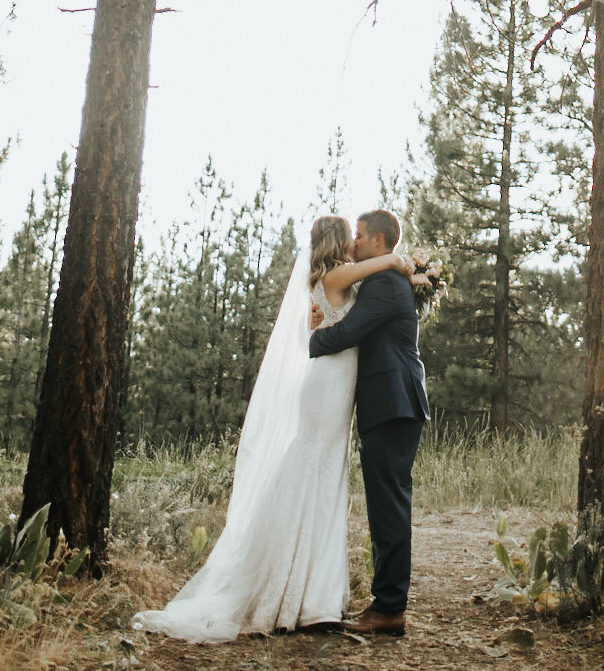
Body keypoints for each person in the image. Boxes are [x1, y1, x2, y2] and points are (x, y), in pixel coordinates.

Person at [130, 211, 414, 641]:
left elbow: (356, 317)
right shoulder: (343, 274)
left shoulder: (345, 278)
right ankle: (303, 592)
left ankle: (314, 591)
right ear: (339, 242)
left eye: (360, 236)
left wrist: (412, 274)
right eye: (351, 236)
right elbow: (353, 315)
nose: (355, 242)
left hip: (340, 386)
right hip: (329, 384)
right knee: (315, 470)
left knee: (322, 475)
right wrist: (399, 261)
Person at [308, 207, 430, 635]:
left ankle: (390, 608)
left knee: (389, 507)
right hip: (389, 403)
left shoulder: (383, 284)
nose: (353, 243)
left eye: (359, 236)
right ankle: (385, 602)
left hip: (394, 403)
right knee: (385, 505)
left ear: (378, 241)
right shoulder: (380, 279)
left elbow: (346, 334)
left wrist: (303, 341)